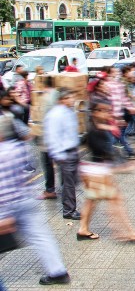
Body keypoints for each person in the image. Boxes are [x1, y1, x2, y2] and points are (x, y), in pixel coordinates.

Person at [0, 122, 71, 285]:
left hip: (6, 206)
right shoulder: (19, 148)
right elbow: (32, 169)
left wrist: (4, 215)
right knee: (41, 236)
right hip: (27, 199)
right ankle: (58, 271)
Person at [77, 99, 135, 242]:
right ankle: (126, 232)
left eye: (109, 110)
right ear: (96, 112)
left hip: (92, 171)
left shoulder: (99, 127)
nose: (109, 113)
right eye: (105, 110)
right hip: (97, 173)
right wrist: (124, 167)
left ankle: (83, 229)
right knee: (115, 200)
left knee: (92, 201)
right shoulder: (95, 131)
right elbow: (105, 153)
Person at [43, 88, 81, 220]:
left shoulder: (69, 112)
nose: (72, 100)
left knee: (70, 182)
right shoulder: (55, 115)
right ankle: (69, 210)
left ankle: (69, 207)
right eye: (69, 97)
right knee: (69, 183)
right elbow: (52, 137)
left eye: (72, 97)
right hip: (65, 153)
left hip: (72, 151)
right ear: (62, 100)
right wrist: (59, 155)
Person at [35, 76, 60, 200]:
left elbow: (44, 119)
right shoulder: (59, 94)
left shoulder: (45, 97)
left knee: (47, 163)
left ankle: (50, 190)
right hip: (59, 137)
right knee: (60, 163)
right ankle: (64, 187)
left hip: (49, 137)